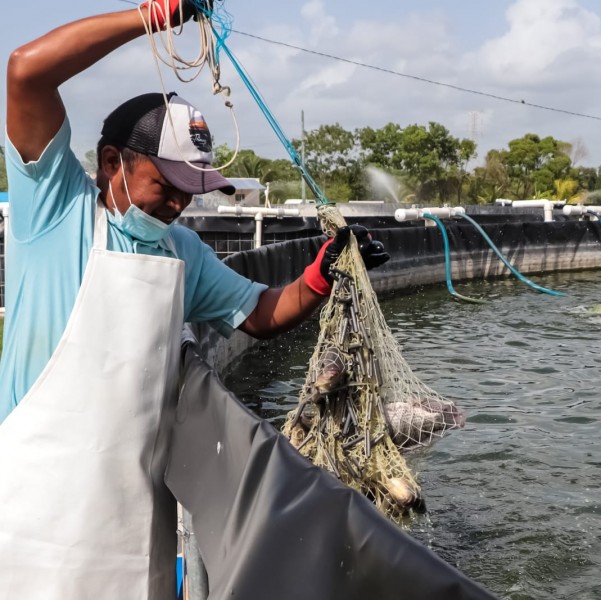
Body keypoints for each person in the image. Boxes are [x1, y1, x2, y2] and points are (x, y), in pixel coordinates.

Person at [0, 1, 388, 597]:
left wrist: (322, 273)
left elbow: (260, 314)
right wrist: (153, 16)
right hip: (33, 507)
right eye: (169, 185)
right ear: (113, 163)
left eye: (193, 190)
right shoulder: (54, 209)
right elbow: (27, 70)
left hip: (133, 517)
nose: (181, 205)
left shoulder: (182, 250)